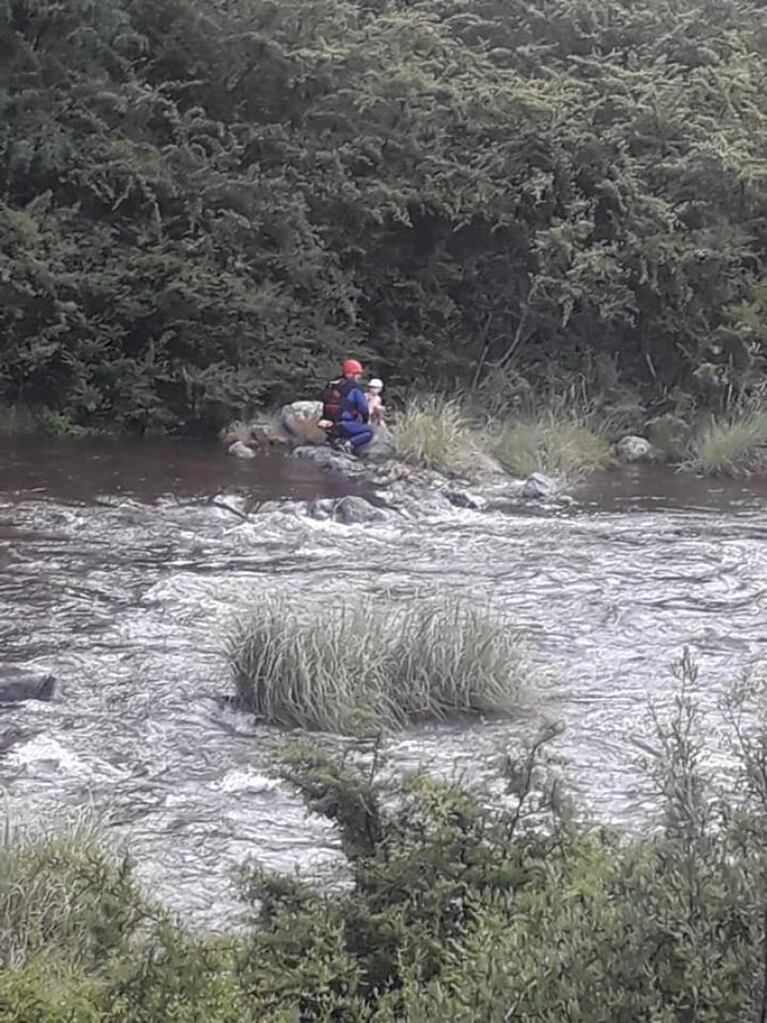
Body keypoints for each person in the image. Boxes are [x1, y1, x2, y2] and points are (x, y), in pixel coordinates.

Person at [320, 358, 373, 452]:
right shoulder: (354, 389)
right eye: (357, 374)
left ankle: (333, 440)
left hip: (329, 425)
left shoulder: (332, 385)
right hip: (344, 425)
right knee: (369, 431)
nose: (359, 376)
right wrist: (364, 421)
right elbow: (363, 409)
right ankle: (348, 444)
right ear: (350, 374)